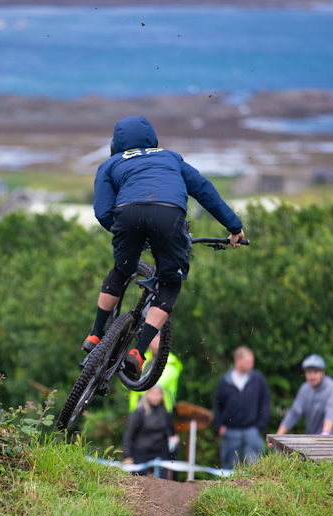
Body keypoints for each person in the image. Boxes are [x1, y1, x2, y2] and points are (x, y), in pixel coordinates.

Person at [82, 116, 245, 380]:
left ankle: (95, 334)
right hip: (170, 215)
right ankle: (139, 353)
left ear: (116, 144)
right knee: (170, 283)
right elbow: (204, 191)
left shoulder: (109, 164)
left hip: (127, 214)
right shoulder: (172, 158)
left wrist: (127, 232)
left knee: (122, 270)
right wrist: (234, 227)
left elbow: (102, 212)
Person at [213, 346, 271, 470]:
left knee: (256, 469)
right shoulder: (224, 381)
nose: (251, 365)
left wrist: (260, 426)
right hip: (230, 432)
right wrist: (219, 426)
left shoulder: (258, 379)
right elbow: (217, 405)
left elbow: (265, 404)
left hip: (252, 431)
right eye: (247, 362)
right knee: (230, 469)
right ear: (237, 361)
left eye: (252, 362)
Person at [277, 354, 333, 436]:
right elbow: (294, 413)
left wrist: (325, 434)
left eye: (315, 371)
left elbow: (331, 412)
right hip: (312, 439)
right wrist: (277, 436)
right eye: (309, 372)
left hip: (332, 438)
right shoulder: (304, 389)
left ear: (322, 373)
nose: (312, 375)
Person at [122, 386, 177, 477]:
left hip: (160, 452)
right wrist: (127, 455)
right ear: (147, 394)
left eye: (158, 394)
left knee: (163, 482)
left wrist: (172, 438)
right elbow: (128, 435)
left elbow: (170, 431)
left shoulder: (165, 412)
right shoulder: (139, 412)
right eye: (153, 393)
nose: (156, 396)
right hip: (140, 452)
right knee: (140, 482)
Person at [129, 334, 182, 414]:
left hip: (162, 413)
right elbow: (126, 382)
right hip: (138, 412)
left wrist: (135, 382)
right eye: (153, 339)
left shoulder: (171, 362)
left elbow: (156, 384)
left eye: (158, 339)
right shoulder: (143, 359)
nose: (154, 343)